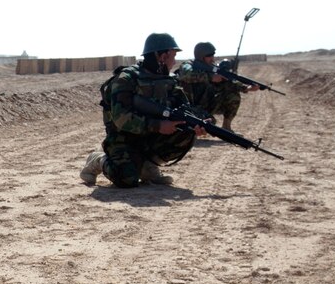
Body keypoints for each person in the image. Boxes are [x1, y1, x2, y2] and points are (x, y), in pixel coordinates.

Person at [80, 33, 204, 187]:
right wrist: (158, 126)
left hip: (150, 137)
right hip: (123, 138)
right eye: (173, 55)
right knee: (126, 179)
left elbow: (184, 108)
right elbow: (121, 119)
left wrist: (197, 123)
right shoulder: (127, 78)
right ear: (163, 56)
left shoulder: (169, 81)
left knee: (186, 133)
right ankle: (97, 159)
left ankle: (147, 166)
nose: (175, 61)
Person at [177, 42, 257, 132]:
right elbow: (186, 75)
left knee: (233, 96)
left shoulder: (212, 68)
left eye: (213, 55)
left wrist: (245, 87)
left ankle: (226, 127)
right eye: (209, 55)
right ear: (201, 56)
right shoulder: (188, 65)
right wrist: (210, 77)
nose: (212, 58)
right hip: (191, 107)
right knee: (210, 124)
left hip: (207, 104)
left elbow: (228, 82)